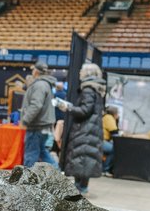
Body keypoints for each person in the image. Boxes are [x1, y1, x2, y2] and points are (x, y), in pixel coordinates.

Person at [60, 62, 107, 194]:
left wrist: (68, 107)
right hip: (90, 129)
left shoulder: (88, 89)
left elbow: (85, 110)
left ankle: (79, 188)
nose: (79, 73)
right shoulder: (96, 89)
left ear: (87, 73)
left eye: (81, 71)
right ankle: (82, 187)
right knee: (85, 158)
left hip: (85, 130)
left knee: (81, 158)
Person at [19, 60, 58, 167]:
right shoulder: (44, 84)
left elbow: (36, 105)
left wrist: (25, 120)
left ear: (36, 71)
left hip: (37, 125)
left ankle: (27, 181)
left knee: (31, 154)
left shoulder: (40, 85)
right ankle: (57, 173)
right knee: (42, 152)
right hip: (41, 125)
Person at [101, 105, 120, 175]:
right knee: (115, 149)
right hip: (101, 141)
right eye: (118, 113)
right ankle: (106, 169)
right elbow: (114, 132)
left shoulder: (107, 117)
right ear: (114, 113)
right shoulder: (109, 118)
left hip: (103, 140)